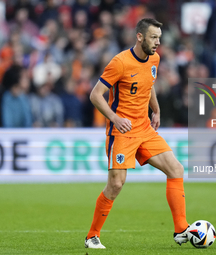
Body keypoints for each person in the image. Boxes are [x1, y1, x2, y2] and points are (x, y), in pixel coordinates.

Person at [85, 18, 189, 249]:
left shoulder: (155, 58)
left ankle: (181, 229)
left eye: (159, 38)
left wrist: (156, 109)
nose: (158, 43)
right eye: (153, 37)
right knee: (116, 184)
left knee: (176, 169)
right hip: (121, 132)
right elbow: (95, 94)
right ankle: (92, 235)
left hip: (144, 128)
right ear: (140, 36)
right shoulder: (120, 62)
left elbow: (149, 83)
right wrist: (114, 118)